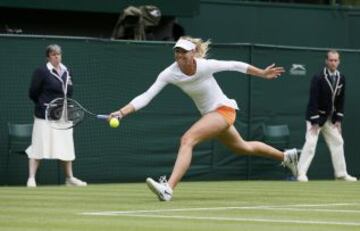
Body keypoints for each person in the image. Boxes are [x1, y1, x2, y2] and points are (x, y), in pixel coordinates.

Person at [110, 36, 299, 201]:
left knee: (187, 139)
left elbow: (234, 65)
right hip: (211, 115)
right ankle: (286, 157)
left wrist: (262, 73)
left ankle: (168, 188)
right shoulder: (169, 73)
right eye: (177, 51)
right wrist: (122, 112)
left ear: (193, 53)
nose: (179, 55)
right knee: (243, 147)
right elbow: (146, 96)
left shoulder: (205, 66)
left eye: (183, 51)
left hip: (224, 110)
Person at [26, 44, 87, 187]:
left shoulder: (67, 71)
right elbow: (33, 93)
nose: (57, 56)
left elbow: (69, 92)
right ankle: (31, 178)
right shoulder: (41, 71)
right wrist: (44, 106)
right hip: (44, 116)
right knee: (38, 145)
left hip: (64, 116)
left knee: (66, 147)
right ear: (48, 57)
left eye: (58, 54)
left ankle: (69, 178)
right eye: (53, 54)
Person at [297, 50, 357, 182]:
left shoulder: (341, 78)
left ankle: (341, 174)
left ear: (339, 61)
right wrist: (314, 121)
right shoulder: (318, 77)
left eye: (336, 60)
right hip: (315, 118)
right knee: (311, 143)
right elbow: (313, 100)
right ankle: (301, 173)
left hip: (330, 119)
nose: (333, 63)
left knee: (338, 141)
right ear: (326, 61)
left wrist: (338, 120)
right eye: (331, 60)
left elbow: (340, 100)